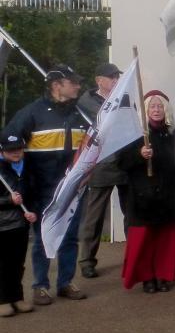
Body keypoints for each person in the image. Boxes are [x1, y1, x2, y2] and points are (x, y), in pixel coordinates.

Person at [4, 64, 88, 306]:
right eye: (73, 82)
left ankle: (65, 283)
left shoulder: (79, 113)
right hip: (41, 190)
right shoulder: (31, 113)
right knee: (43, 238)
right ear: (56, 85)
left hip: (72, 189)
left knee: (70, 237)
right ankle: (40, 285)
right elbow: (8, 144)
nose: (78, 86)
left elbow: (91, 147)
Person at [117, 90, 175, 293]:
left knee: (165, 239)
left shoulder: (172, 134)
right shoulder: (134, 135)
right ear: (146, 110)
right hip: (142, 198)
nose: (156, 110)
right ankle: (147, 278)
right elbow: (121, 162)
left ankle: (164, 276)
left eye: (160, 106)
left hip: (166, 195)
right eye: (152, 106)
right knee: (144, 241)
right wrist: (140, 155)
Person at [76, 62, 128, 279]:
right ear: (100, 80)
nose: (116, 80)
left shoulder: (124, 98)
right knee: (94, 216)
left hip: (124, 163)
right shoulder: (86, 103)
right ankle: (87, 260)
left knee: (131, 213)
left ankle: (134, 257)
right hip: (100, 164)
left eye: (118, 76)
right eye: (111, 77)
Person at [0, 135, 37, 317]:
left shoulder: (26, 167)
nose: (16, 152)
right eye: (10, 149)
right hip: (2, 225)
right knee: (3, 264)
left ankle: (17, 297)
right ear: (2, 150)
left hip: (20, 224)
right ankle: (3, 300)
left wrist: (31, 210)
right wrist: (9, 200)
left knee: (18, 263)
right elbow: (9, 199)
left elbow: (31, 193)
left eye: (19, 148)